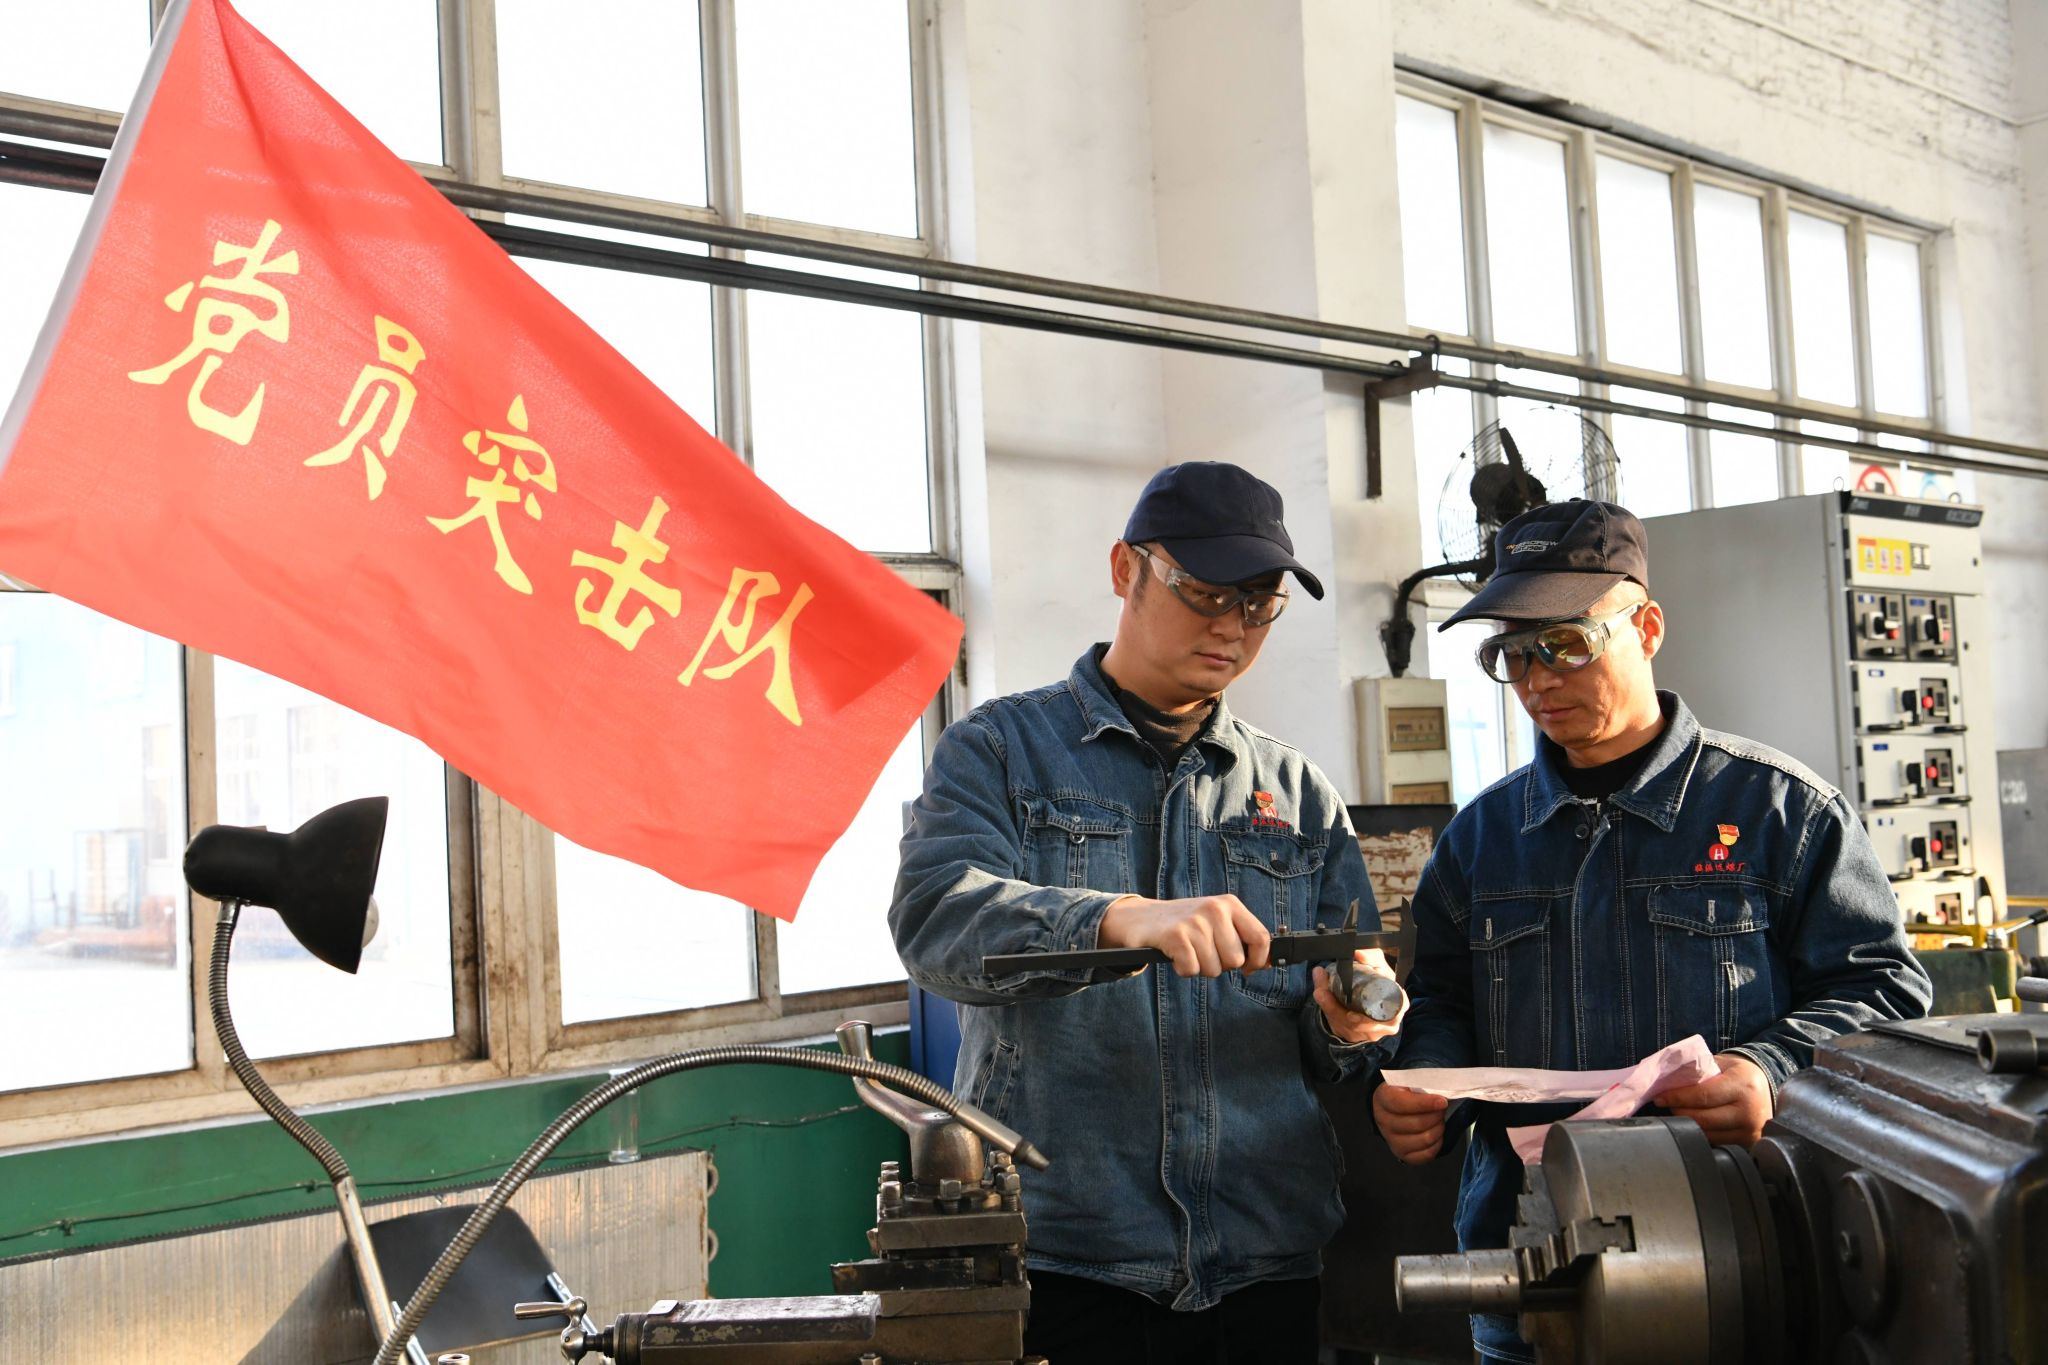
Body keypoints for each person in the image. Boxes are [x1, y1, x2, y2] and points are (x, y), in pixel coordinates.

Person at [1373, 498, 1933, 1364]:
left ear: (1648, 627)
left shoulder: (1781, 813)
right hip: (1535, 1276)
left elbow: (1885, 991)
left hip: (1739, 1269)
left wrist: (1771, 1067)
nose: (1536, 680)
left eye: (1565, 643)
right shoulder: (1480, 842)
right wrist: (1424, 1085)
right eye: (1512, 655)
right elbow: (1443, 1000)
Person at [890, 461, 1401, 1365]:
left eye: (1259, 604)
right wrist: (1116, 918)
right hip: (1063, 1254)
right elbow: (936, 918)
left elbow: (1337, 1035)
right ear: (1126, 568)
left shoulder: (1298, 794)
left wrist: (1351, 1021)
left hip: (1263, 1254)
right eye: (1205, 592)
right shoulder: (1000, 752)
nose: (1231, 626)